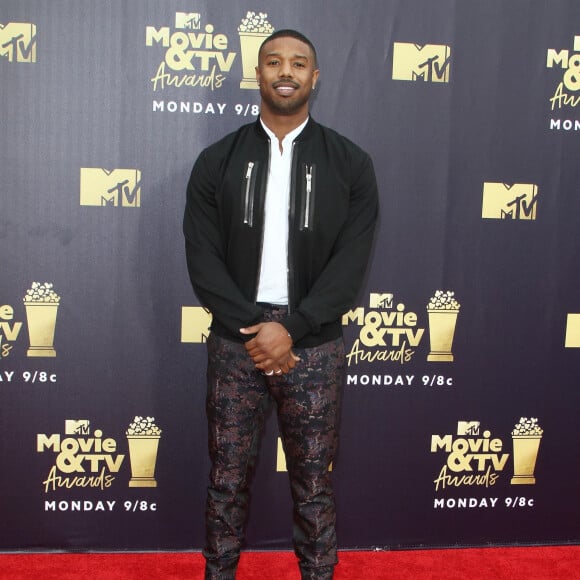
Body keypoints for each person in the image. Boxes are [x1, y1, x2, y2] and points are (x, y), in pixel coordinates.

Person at [183, 29, 378, 580]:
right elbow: (203, 262)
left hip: (311, 345)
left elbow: (349, 268)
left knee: (314, 483)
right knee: (225, 479)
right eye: (273, 61)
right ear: (258, 74)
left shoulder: (351, 164)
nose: (285, 71)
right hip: (235, 343)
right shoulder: (216, 161)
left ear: (314, 77)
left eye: (298, 63)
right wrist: (257, 328)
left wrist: (291, 328)